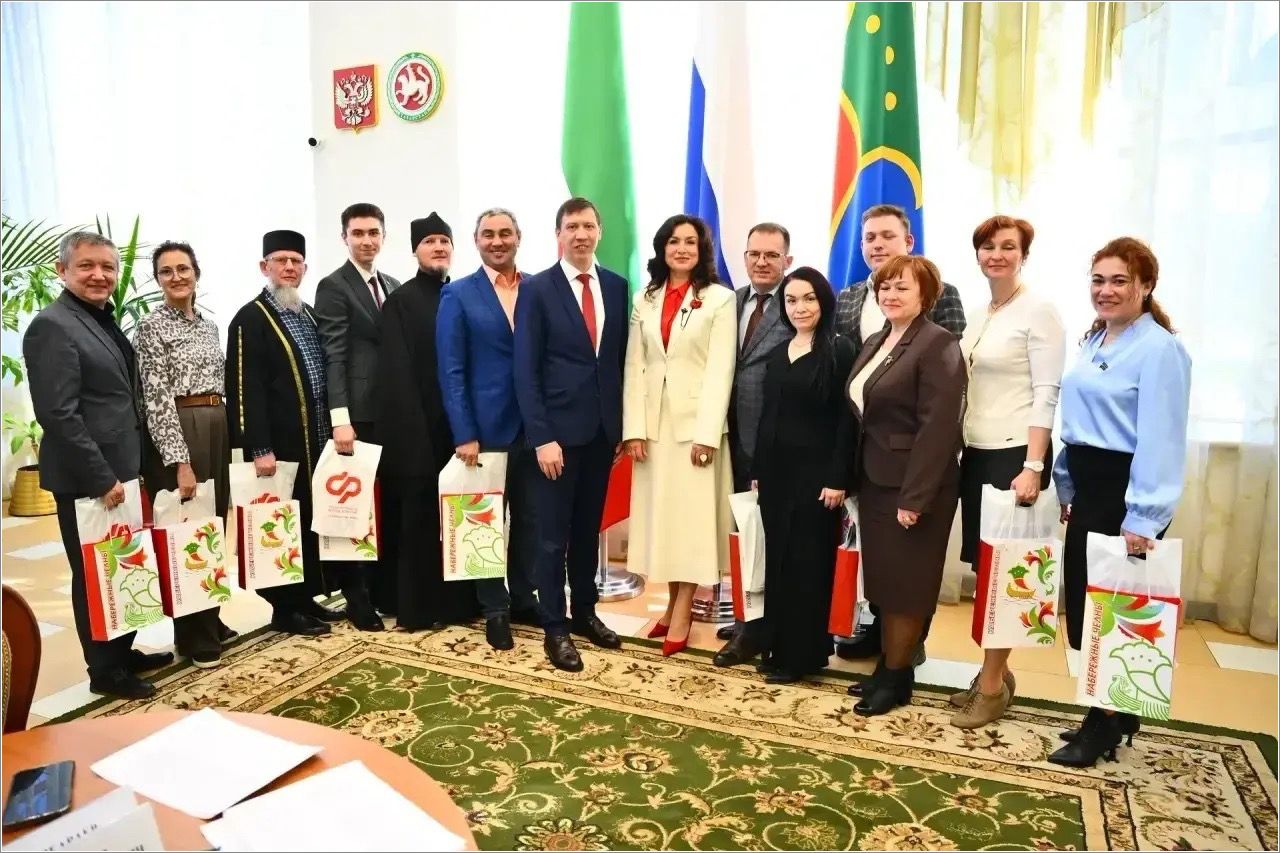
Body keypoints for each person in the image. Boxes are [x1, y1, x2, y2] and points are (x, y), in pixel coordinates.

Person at [1047, 237, 1190, 768]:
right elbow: (1080, 423)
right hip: (1090, 487)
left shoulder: (1160, 349)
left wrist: (1144, 516)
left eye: (1119, 281)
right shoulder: (1096, 339)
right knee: (1087, 601)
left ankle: (1102, 723)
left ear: (1146, 286)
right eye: (1098, 280)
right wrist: (1066, 484)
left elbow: (1161, 438)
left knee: (1113, 608)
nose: (1105, 290)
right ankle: (1117, 710)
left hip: (1126, 491)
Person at [24, 232, 173, 699]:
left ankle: (121, 652)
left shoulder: (99, 318)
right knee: (93, 574)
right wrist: (101, 477)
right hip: (90, 478)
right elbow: (58, 414)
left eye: (107, 266)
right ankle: (104, 671)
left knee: (120, 565)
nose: (99, 275)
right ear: (62, 270)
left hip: (120, 469)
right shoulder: (52, 326)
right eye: (87, 265)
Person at [833, 203, 967, 666]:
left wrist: (916, 496)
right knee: (886, 579)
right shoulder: (877, 339)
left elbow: (939, 426)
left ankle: (897, 671)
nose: (890, 294)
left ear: (925, 294)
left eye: (901, 287)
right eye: (884, 288)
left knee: (908, 583)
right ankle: (887, 657)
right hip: (874, 475)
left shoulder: (938, 341)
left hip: (911, 480)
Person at [948, 216, 1065, 727]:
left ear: (1024, 255)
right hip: (977, 453)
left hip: (1017, 456)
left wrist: (1034, 465)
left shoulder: (1039, 311)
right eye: (988, 246)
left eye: (1008, 247)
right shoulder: (979, 314)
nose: (996, 254)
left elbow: (1047, 393)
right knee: (986, 571)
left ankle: (992, 688)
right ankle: (992, 674)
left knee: (1008, 576)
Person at [514, 198, 629, 672]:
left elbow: (618, 362)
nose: (581, 234)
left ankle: (585, 611)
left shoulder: (617, 287)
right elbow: (526, 370)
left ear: (599, 231)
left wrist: (620, 428)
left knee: (587, 531)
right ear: (558, 234)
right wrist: (542, 437)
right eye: (571, 227)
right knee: (551, 537)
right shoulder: (537, 289)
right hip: (555, 440)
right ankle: (554, 627)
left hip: (601, 435)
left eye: (588, 225)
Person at [622, 214, 735, 656]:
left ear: (702, 249)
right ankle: (670, 607)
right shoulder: (645, 297)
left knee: (690, 524)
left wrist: (708, 434)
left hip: (695, 429)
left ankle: (684, 611)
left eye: (690, 241)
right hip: (654, 428)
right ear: (662, 248)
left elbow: (721, 370)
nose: (682, 248)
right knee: (665, 522)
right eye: (673, 241)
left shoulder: (720, 299)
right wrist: (634, 428)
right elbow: (634, 365)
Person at [224, 230, 344, 636]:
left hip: (314, 442)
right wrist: (258, 447)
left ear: (304, 267)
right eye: (281, 261)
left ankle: (304, 598)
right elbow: (244, 388)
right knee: (278, 526)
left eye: (296, 261)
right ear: (265, 267)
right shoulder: (250, 318)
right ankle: (284, 609)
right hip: (278, 447)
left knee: (306, 521)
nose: (289, 268)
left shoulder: (308, 313)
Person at [437, 208, 541, 648]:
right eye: (488, 234)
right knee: (484, 522)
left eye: (505, 233)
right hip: (484, 432)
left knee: (532, 520)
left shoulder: (538, 288)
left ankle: (524, 597)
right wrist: (464, 432)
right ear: (476, 241)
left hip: (536, 430)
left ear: (519, 237)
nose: (497, 241)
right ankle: (494, 609)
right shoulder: (458, 294)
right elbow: (452, 370)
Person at [752, 267, 857, 683]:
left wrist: (838, 477)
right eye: (791, 300)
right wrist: (758, 470)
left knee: (807, 567)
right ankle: (777, 648)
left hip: (817, 481)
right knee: (777, 563)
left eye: (809, 298)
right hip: (775, 478)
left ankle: (803, 656)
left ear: (824, 302)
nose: (800, 307)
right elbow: (768, 416)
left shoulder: (840, 349)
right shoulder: (780, 351)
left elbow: (847, 421)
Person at [136, 240, 236, 669]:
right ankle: (195, 637)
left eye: (183, 268)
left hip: (216, 423)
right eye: (166, 271)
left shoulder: (208, 326)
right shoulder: (151, 326)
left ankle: (208, 617)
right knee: (186, 533)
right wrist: (180, 461)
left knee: (210, 526)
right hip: (181, 428)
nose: (176, 277)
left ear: (197, 273)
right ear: (157, 279)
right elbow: (156, 398)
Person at [377, 213, 479, 631]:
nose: (438, 247)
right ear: (415, 250)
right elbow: (396, 375)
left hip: (462, 431)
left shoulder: (465, 295)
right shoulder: (401, 302)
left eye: (444, 241)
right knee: (420, 523)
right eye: (429, 241)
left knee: (462, 517)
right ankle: (419, 609)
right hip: (418, 434)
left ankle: (460, 604)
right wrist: (415, 439)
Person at [314, 203, 402, 630]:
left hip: (391, 413)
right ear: (344, 238)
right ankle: (357, 598)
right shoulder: (333, 286)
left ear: (383, 236)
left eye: (373, 233)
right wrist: (340, 418)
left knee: (385, 507)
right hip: (357, 417)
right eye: (358, 233)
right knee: (354, 508)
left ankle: (385, 590)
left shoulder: (392, 284)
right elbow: (333, 355)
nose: (367, 240)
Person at [713, 223, 795, 657]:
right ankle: (747, 615)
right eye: (754, 254)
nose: (762, 262)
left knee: (770, 537)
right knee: (741, 532)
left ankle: (761, 628)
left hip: (776, 441)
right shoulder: (730, 301)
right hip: (728, 437)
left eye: (771, 255)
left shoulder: (797, 302)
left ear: (787, 260)